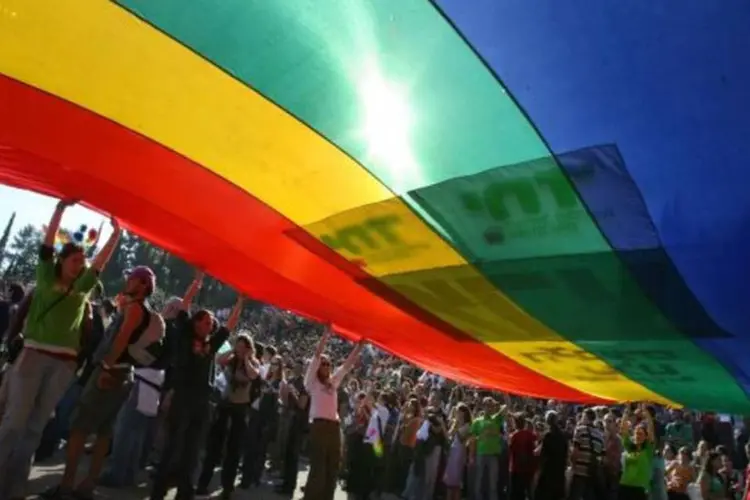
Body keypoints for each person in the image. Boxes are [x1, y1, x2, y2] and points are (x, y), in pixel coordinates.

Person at [0, 200, 120, 500]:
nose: (81, 266)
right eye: (75, 261)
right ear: (62, 262)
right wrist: (59, 211)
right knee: (14, 423)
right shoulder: (44, 276)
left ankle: (14, 489)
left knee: (35, 427)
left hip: (62, 365)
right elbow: (46, 245)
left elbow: (101, 262)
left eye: (82, 262)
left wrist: (116, 235)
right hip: (32, 357)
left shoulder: (82, 289)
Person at [47, 266, 160, 499]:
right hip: (123, 373)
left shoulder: (136, 309)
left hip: (110, 372)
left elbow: (121, 339)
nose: (127, 281)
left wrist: (106, 366)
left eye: (132, 279)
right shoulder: (137, 308)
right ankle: (87, 486)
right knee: (103, 431)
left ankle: (67, 485)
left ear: (142, 285)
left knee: (80, 426)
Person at [150, 271, 244, 500]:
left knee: (192, 452)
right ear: (195, 321)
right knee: (173, 447)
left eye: (210, 323)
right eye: (204, 320)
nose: (207, 324)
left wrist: (241, 300)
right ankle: (158, 492)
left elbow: (230, 325)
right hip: (182, 396)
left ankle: (184, 493)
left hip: (202, 402)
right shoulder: (184, 333)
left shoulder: (212, 345)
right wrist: (197, 281)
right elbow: (185, 304)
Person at [303, 328, 365, 500]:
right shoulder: (311, 382)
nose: (326, 366)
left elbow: (347, 366)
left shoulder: (333, 382)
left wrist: (359, 346)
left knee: (333, 467)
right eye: (323, 364)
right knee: (319, 468)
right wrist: (326, 334)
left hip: (334, 427)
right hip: (319, 426)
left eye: (328, 364)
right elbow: (316, 356)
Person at [197, 333, 259, 499]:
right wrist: (232, 350)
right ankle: (203, 483)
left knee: (234, 449)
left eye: (242, 346)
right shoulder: (230, 360)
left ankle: (227, 488)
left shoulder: (252, 362)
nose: (239, 349)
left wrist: (246, 359)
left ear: (248, 348)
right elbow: (218, 359)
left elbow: (253, 375)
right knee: (214, 446)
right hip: (225, 405)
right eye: (237, 345)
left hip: (240, 409)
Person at [618, 404, 656, 500]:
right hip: (625, 485)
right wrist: (626, 413)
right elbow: (623, 430)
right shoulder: (629, 447)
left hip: (640, 487)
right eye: (635, 433)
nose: (637, 436)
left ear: (645, 437)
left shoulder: (647, 449)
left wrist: (646, 412)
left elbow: (651, 428)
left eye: (640, 434)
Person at [534, 410, 568, 500]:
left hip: (548, 471)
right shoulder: (563, 435)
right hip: (559, 472)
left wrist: (539, 469)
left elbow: (543, 454)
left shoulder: (548, 435)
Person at [443, 403, 472, 500]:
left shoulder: (468, 425)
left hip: (460, 454)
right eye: (457, 412)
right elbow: (448, 436)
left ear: (464, 413)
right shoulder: (456, 423)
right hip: (452, 452)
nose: (458, 414)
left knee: (456, 483)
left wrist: (457, 427)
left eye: (460, 412)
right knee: (449, 481)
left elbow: (461, 439)